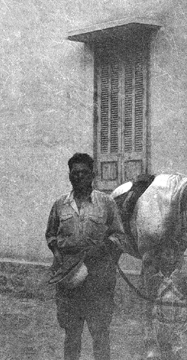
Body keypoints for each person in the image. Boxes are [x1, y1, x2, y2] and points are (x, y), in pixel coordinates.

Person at [45, 153, 132, 360]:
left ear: (92, 175)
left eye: (84, 173)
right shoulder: (60, 205)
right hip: (69, 279)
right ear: (69, 176)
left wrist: (103, 248)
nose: (79, 177)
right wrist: (57, 254)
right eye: (75, 173)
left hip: (98, 280)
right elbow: (50, 235)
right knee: (72, 335)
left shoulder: (106, 203)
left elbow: (120, 236)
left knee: (100, 335)